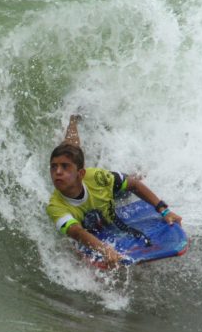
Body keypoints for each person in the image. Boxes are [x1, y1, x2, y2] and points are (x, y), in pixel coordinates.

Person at [46, 115, 182, 268]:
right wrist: (104, 249)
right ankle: (72, 124)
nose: (57, 172)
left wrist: (164, 211)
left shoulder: (98, 177)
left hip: (107, 194)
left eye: (64, 167)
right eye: (53, 166)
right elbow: (77, 232)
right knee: (70, 149)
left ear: (81, 174)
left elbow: (134, 185)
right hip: (90, 217)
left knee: (134, 180)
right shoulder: (55, 207)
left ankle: (73, 119)